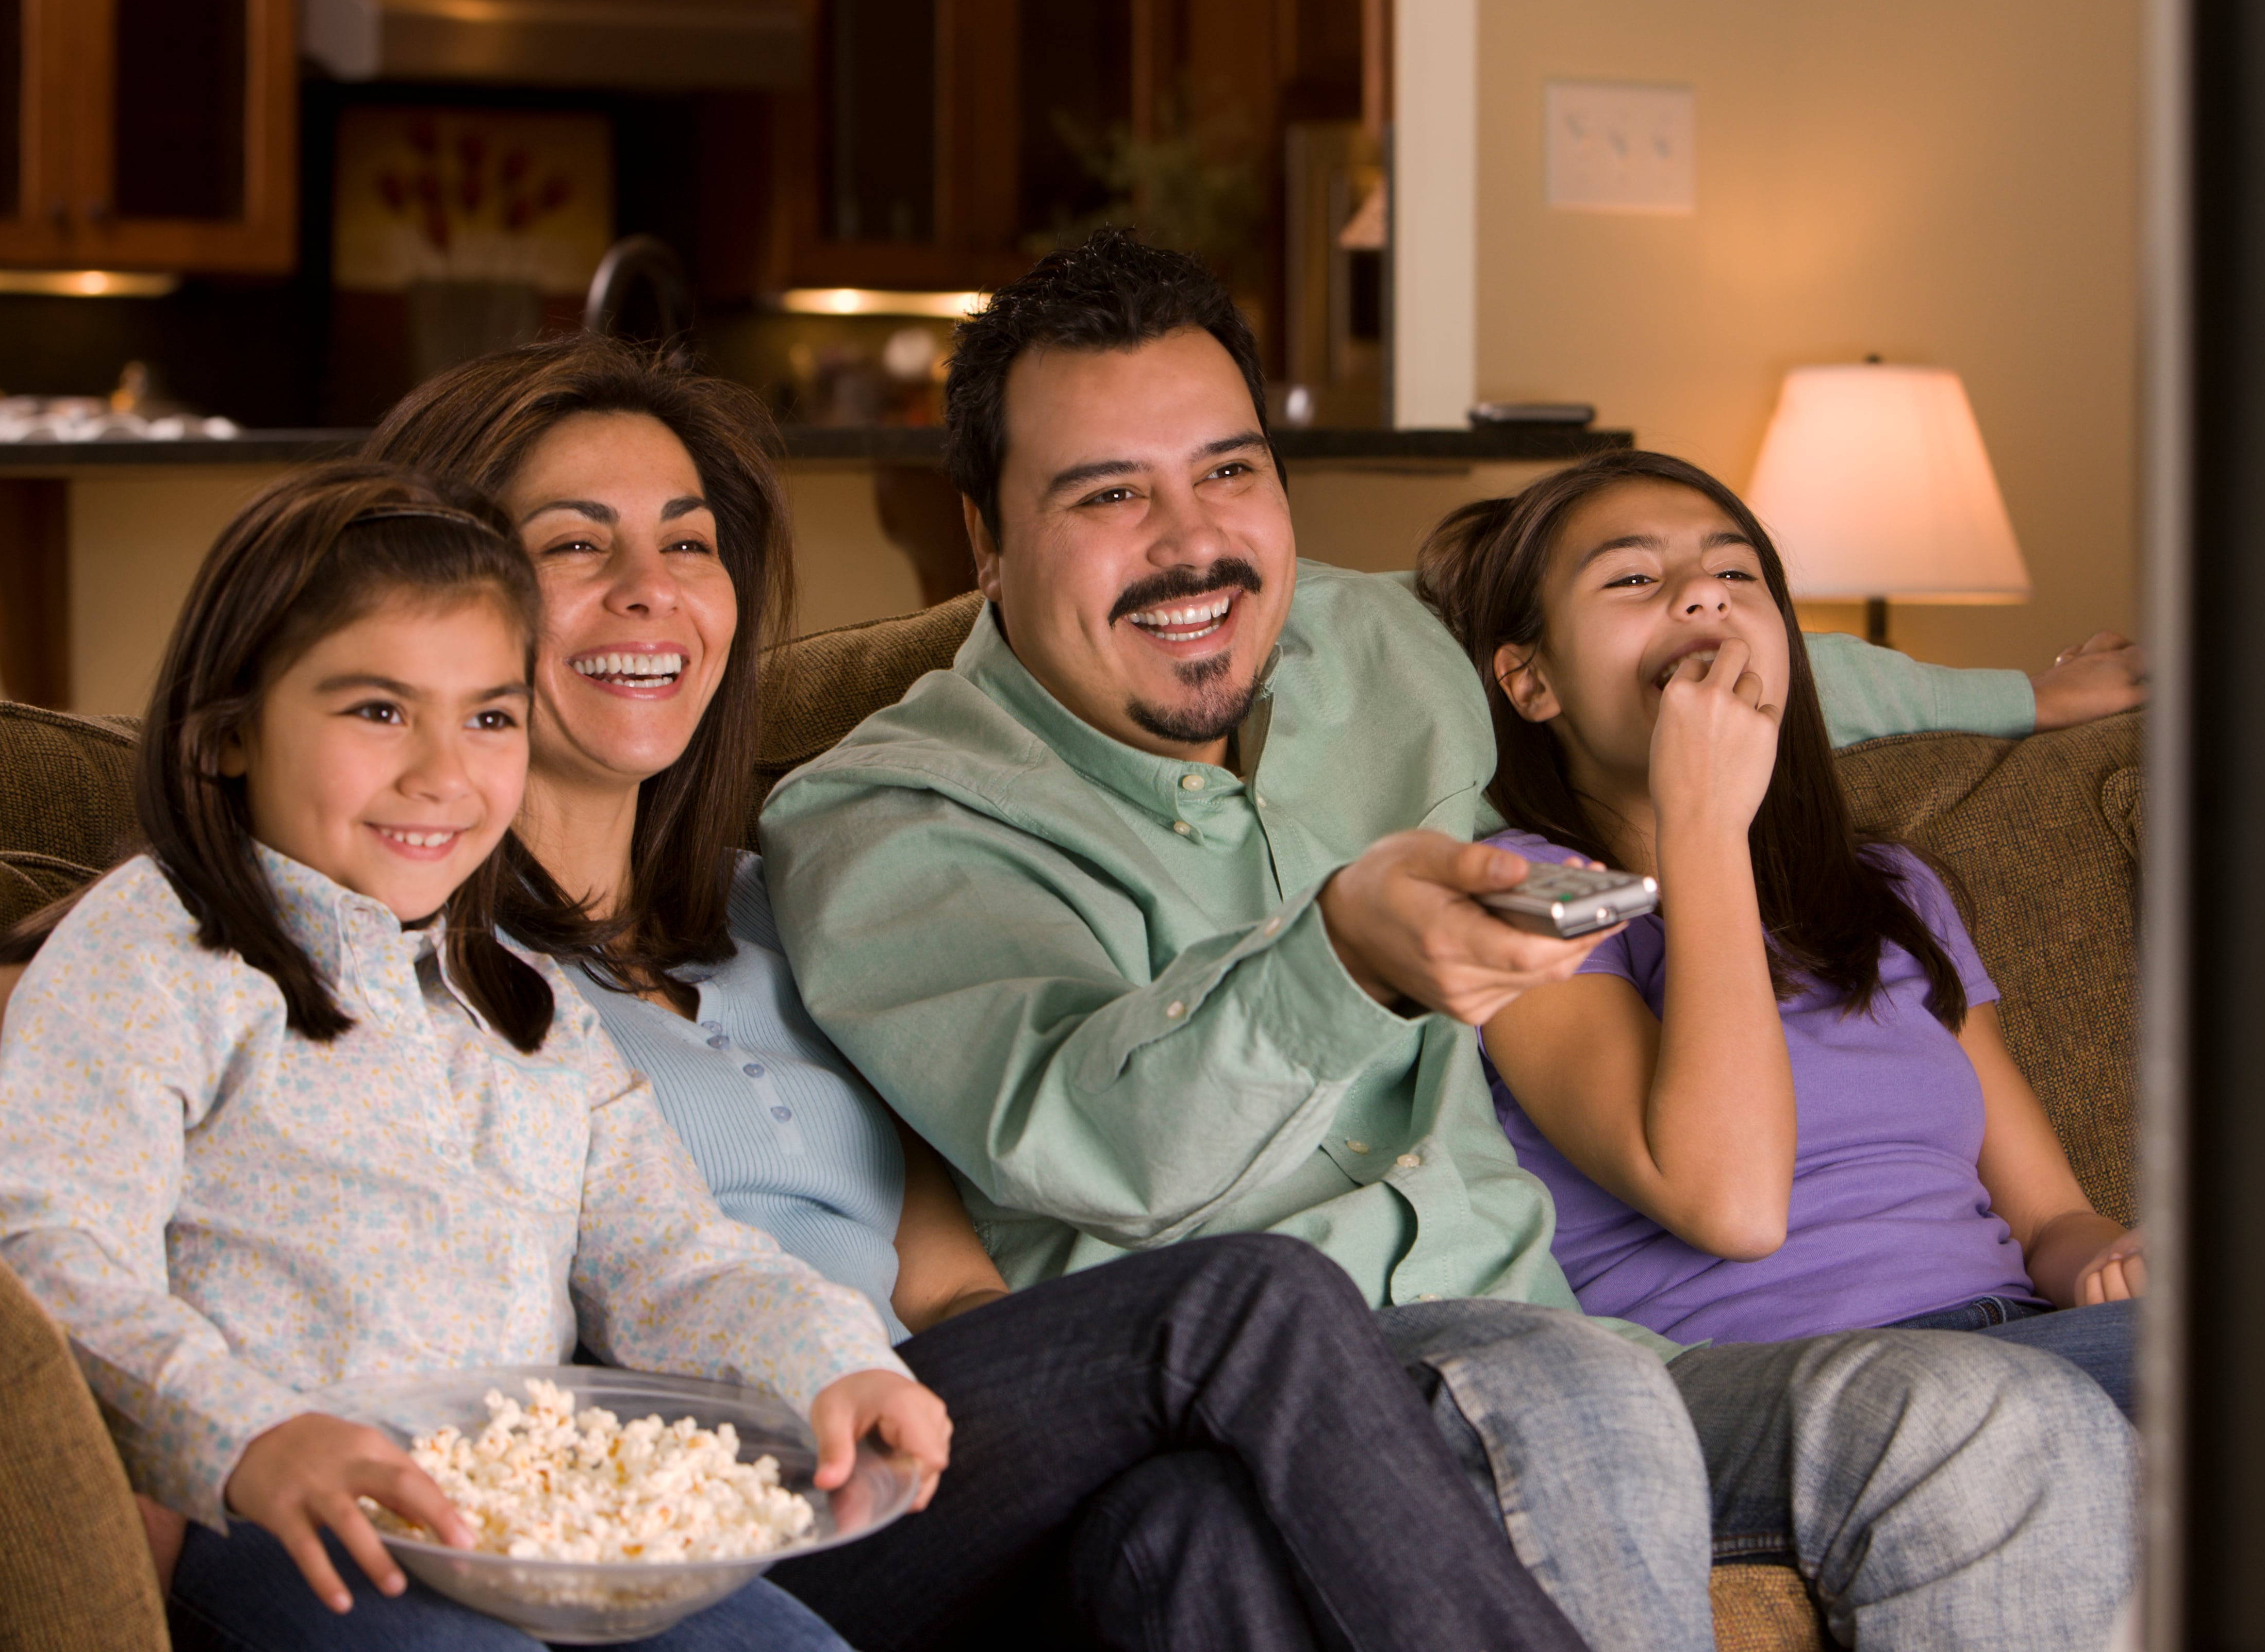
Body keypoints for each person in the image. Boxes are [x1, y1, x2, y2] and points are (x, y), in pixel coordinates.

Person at [760, 228, 2140, 1652]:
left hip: (1589, 1349)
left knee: (1995, 1416)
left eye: (1228, 472)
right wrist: (1340, 966)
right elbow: (1076, 1138)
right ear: (984, 539)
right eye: (1109, 494)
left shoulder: (1372, 649)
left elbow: (1672, 660)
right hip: (1263, 1404)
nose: (1191, 544)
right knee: (1563, 1390)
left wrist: (2012, 697)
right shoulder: (886, 824)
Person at [357, 336, 1595, 1652]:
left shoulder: (767, 908)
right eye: (575, 547)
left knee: (1192, 1526)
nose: (649, 593)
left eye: (687, 544)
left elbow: (948, 1291)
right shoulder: (408, 970)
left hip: (919, 1456)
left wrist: (1067, 1423)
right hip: (690, 1504)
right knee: (1256, 1297)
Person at [0, 462, 917, 1652]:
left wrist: (832, 1362)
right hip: (279, 1522)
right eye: (377, 710)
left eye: (491, 716)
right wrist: (248, 1439)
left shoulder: (527, 1007)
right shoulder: (154, 954)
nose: (443, 772)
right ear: (228, 737)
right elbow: (43, 1249)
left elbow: (668, 1257)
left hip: (544, 1507)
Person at [1414, 449, 2140, 1417]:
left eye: (1734, 574)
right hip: (1772, 1381)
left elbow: (2050, 1215)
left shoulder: (1886, 887)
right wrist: (1703, 827)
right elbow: (1729, 1205)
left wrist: (2106, 1256)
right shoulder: (1521, 894)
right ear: (1529, 680)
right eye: (1633, 578)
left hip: (2019, 1339)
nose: (1701, 600)